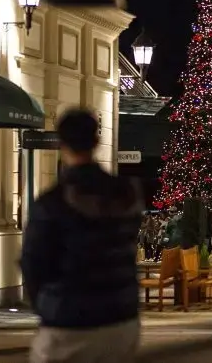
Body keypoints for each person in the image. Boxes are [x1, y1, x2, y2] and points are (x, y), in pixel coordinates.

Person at [21, 109, 143, 363]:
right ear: (97, 142)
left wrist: (46, 307)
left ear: (60, 143)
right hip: (122, 316)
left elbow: (34, 265)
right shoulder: (127, 194)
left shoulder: (51, 203)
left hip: (69, 319)